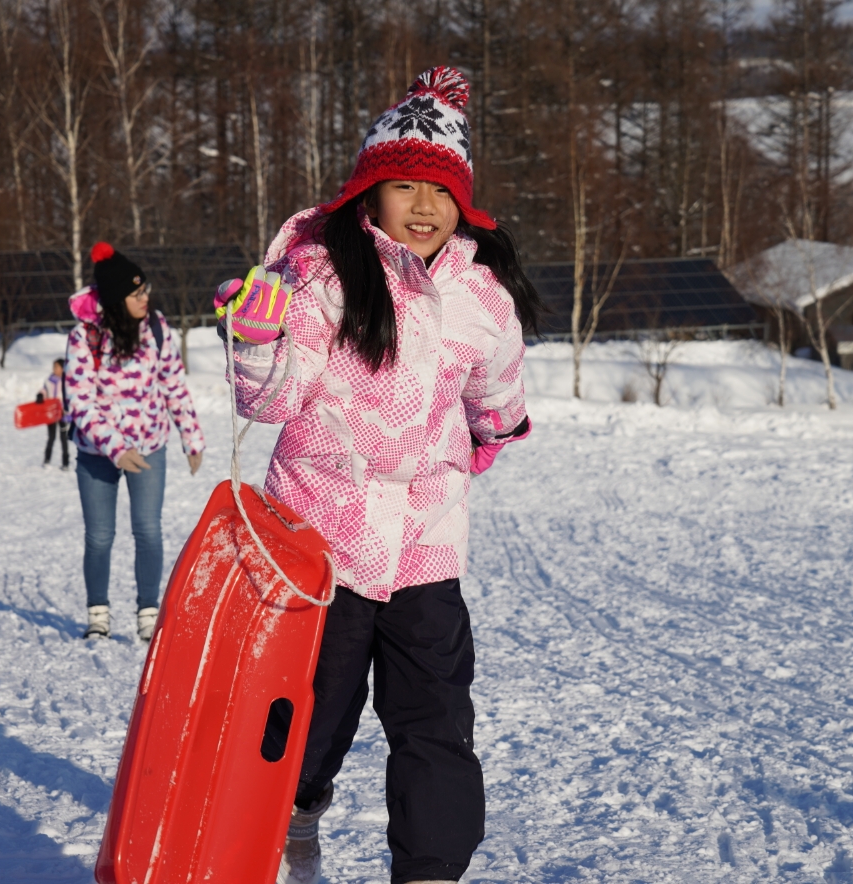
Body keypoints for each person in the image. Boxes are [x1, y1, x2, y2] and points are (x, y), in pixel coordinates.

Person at [215, 67, 543, 884]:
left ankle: (429, 870)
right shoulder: (324, 279)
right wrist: (258, 340)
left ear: (462, 202)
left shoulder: (480, 293)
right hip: (321, 544)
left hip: (427, 547)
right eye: (403, 185)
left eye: (440, 190)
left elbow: (495, 385)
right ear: (369, 192)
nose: (423, 206)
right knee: (315, 714)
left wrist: (492, 431)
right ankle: (295, 805)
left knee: (434, 720)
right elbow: (274, 399)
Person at [65, 242, 205, 642]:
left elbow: (173, 385)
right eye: (137, 293)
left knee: (148, 530)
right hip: (98, 454)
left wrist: (191, 438)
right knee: (99, 535)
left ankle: (148, 612)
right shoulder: (84, 338)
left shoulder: (157, 328)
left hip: (149, 447)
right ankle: (98, 613)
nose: (146, 298)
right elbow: (80, 401)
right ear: (114, 298)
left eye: (146, 290)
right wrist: (115, 448)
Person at [39, 358, 70, 469]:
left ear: (63, 368)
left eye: (57, 367)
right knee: (51, 437)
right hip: (51, 413)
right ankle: (47, 460)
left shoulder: (67, 381)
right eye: (54, 367)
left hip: (62, 413)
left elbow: (69, 397)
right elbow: (44, 390)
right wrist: (40, 396)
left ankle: (65, 462)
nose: (54, 369)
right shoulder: (49, 380)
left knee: (63, 438)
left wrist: (66, 409)